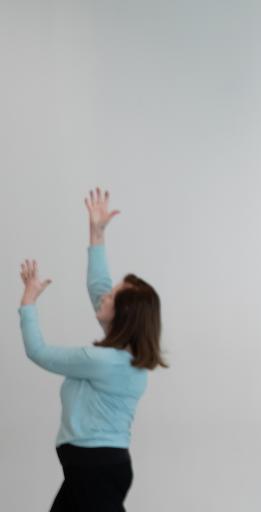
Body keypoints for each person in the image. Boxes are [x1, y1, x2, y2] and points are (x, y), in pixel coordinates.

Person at [18, 188, 166, 511]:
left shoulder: (102, 361)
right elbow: (99, 285)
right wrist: (96, 234)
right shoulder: (124, 355)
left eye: (112, 298)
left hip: (93, 470)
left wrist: (28, 302)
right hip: (92, 468)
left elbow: (39, 352)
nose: (103, 297)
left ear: (123, 314)